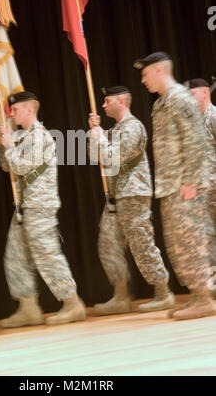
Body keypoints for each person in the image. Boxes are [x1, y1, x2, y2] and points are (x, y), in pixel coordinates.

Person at [134, 52, 216, 320]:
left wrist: (191, 180)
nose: (143, 80)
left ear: (159, 70)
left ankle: (204, 299)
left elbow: (195, 140)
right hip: (171, 185)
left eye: (146, 74)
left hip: (185, 185)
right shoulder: (161, 103)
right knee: (178, 243)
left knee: (191, 241)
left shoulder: (180, 98)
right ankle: (196, 295)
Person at [0, 91, 86, 327]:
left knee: (47, 255)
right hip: (26, 206)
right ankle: (28, 308)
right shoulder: (23, 137)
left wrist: (9, 147)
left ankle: (72, 303)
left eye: (15, 109)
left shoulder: (40, 137)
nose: (11, 113)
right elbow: (7, 165)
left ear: (29, 109)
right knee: (15, 256)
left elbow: (20, 166)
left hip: (40, 205)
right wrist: (5, 144)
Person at [88, 86, 174, 315]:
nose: (103, 106)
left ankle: (163, 293)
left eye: (107, 101)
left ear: (122, 101)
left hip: (133, 193)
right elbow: (93, 155)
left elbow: (113, 157)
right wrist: (94, 133)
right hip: (117, 195)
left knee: (141, 244)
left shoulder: (133, 127)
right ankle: (121, 296)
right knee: (108, 244)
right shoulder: (116, 129)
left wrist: (101, 139)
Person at [185, 78, 216, 276]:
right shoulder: (193, 123)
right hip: (203, 192)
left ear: (205, 92)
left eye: (192, 94)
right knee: (207, 237)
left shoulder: (214, 116)